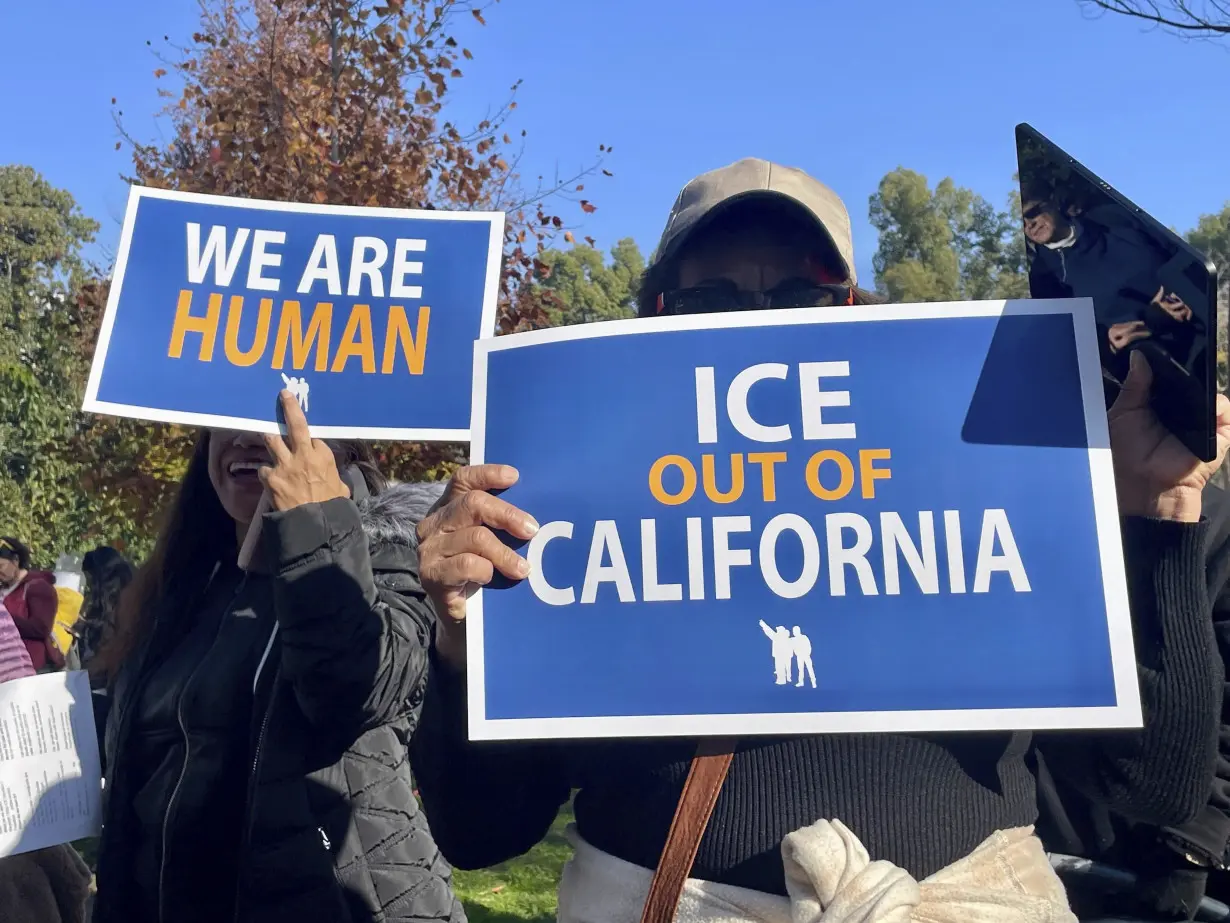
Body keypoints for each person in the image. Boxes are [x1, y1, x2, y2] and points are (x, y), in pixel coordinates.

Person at [411, 159, 1230, 921]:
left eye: (801, 299)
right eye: (713, 302)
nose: (759, 327)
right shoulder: (566, 512)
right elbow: (480, 834)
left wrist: (1158, 512)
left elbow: (1156, 785)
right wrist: (462, 638)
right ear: (653, 314)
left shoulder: (988, 476)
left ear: (853, 316)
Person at [89, 393, 462, 923]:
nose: (245, 437)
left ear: (336, 441)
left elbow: (351, 690)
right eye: (225, 418)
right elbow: (165, 737)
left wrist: (312, 522)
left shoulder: (390, 556)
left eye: (276, 421)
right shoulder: (189, 585)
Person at [0, 536, 64, 672]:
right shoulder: (4, 590)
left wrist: (6, 620)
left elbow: (41, 628)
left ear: (16, 561)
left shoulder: (38, 587)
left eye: (1, 566)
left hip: (33, 668)